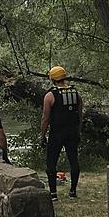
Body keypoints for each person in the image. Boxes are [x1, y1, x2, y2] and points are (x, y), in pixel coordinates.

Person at [40, 66, 83, 201]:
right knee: (73, 160)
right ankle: (73, 191)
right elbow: (80, 115)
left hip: (57, 132)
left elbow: (45, 118)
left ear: (52, 78)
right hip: (72, 131)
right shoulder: (75, 93)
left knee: (51, 163)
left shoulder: (50, 95)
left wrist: (42, 136)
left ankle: (53, 194)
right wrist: (78, 131)